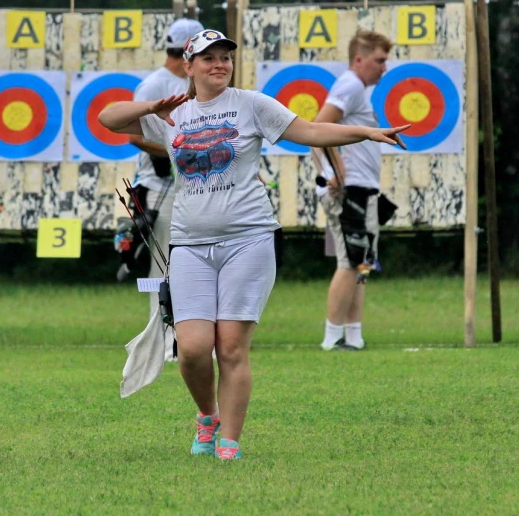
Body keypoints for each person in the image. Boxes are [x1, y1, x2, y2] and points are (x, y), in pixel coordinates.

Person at [99, 28, 408, 460]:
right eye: (208, 58)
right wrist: (153, 107)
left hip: (248, 240)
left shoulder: (251, 104)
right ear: (189, 67)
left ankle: (229, 443)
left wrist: (366, 134)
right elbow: (108, 118)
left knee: (230, 347)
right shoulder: (172, 113)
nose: (219, 64)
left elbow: (312, 131)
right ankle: (208, 417)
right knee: (190, 349)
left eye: (225, 56)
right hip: (189, 244)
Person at [122, 17, 203, 362]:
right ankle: (166, 341)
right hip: (159, 187)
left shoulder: (192, 83)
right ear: (187, 49)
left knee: (188, 264)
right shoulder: (156, 85)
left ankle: (182, 338)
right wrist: (179, 152)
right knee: (164, 268)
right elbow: (133, 135)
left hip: (188, 188)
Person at [314, 29, 392, 352]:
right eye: (379, 60)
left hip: (363, 189)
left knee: (361, 261)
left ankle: (354, 336)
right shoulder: (350, 85)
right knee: (349, 262)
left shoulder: (358, 89)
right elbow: (318, 128)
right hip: (352, 191)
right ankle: (332, 339)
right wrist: (331, 172)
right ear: (359, 60)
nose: (384, 68)